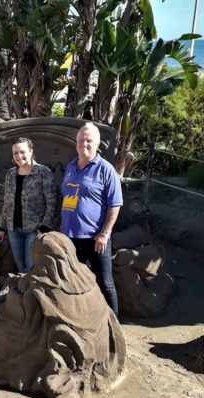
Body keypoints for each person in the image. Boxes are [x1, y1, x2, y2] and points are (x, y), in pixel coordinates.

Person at [60, 122, 122, 315]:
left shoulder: (106, 169)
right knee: (77, 281)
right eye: (81, 140)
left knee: (105, 283)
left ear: (97, 144)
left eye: (89, 141)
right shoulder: (70, 167)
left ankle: (114, 327)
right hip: (71, 238)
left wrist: (104, 234)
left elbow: (115, 204)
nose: (84, 144)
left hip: (96, 239)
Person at [0, 137, 58, 273]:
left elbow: (52, 200)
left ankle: (31, 293)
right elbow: (7, 201)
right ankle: (22, 293)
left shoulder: (43, 172)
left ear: (31, 152)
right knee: (20, 266)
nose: (19, 156)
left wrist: (45, 226)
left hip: (34, 229)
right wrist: (2, 226)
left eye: (23, 152)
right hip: (13, 230)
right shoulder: (11, 174)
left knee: (31, 267)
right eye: (15, 153)